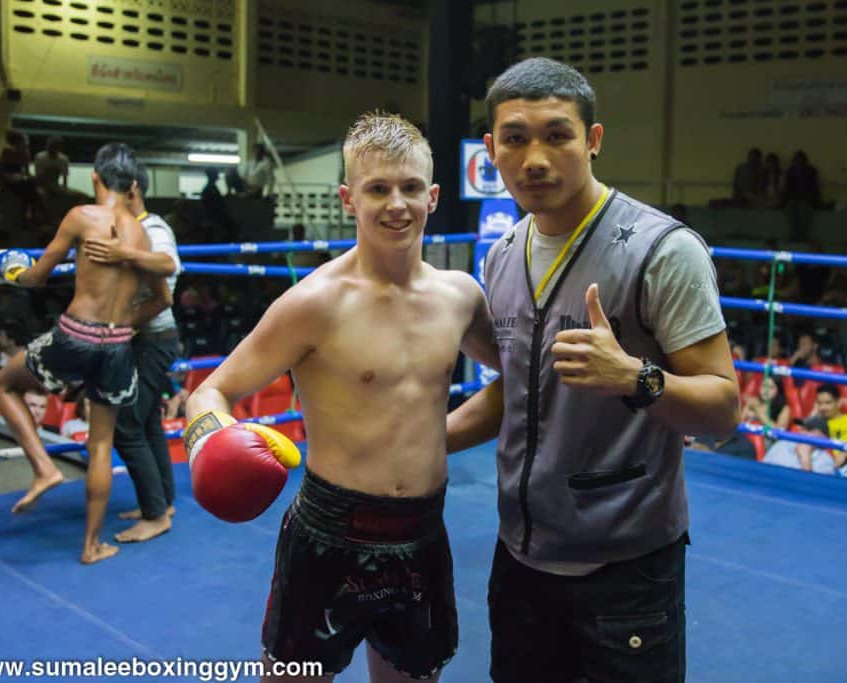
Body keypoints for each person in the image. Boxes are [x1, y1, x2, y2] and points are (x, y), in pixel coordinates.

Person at [446, 58, 741, 683]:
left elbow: (722, 408)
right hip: (521, 557)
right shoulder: (501, 256)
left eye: (558, 135)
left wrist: (637, 379)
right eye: (516, 138)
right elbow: (518, 391)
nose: (535, 158)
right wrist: (420, 443)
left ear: (594, 140)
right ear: (491, 150)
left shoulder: (662, 250)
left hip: (626, 565)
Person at [184, 112, 498, 682]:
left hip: (424, 531)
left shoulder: (461, 297)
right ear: (348, 199)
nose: (395, 204)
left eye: (408, 188)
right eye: (377, 189)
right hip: (329, 534)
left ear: (433, 196)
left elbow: (519, 377)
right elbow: (212, 389)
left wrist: (440, 438)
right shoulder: (314, 303)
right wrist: (213, 441)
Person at [0, 142, 150, 565]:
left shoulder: (81, 216)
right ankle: (91, 546)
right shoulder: (140, 232)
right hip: (118, 345)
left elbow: (38, 277)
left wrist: (11, 269)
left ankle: (44, 468)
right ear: (132, 184)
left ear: (94, 178)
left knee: (4, 383)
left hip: (78, 336)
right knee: (101, 446)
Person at [83, 161, 180, 543]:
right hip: (144, 338)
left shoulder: (153, 227)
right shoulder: (126, 227)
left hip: (154, 338)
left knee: (126, 426)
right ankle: (162, 502)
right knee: (148, 422)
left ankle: (156, 515)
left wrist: (122, 253)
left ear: (131, 188)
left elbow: (169, 264)